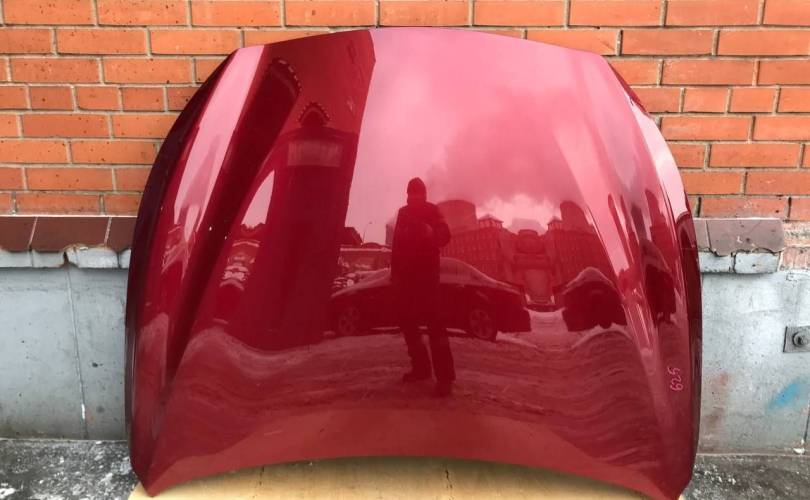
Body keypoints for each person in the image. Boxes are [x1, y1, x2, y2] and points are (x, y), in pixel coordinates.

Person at [391, 177, 456, 396]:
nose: (414, 196)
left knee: (435, 327)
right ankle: (421, 368)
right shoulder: (403, 213)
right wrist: (395, 275)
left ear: (424, 194)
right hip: (406, 279)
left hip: (427, 278)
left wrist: (431, 232)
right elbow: (397, 245)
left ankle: (445, 378)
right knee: (408, 324)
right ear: (408, 194)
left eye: (418, 192)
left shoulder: (433, 210)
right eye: (412, 193)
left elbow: (445, 235)